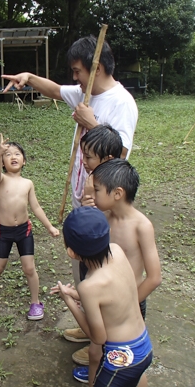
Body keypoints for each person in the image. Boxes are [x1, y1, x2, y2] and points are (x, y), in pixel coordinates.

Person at [1, 35, 138, 286]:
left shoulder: (122, 103)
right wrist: (29, 78)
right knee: (82, 261)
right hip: (82, 198)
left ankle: (102, 321)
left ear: (96, 68)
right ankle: (89, 320)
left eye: (78, 71)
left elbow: (120, 157)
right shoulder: (84, 94)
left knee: (103, 265)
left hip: (103, 202)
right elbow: (54, 89)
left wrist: (92, 123)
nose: (75, 78)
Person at [74, 159, 161, 387]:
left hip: (130, 304)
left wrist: (127, 304)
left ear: (117, 193)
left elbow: (154, 277)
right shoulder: (104, 218)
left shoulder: (141, 225)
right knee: (97, 353)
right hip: (108, 304)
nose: (92, 195)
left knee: (134, 367)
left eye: (96, 190)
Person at [52, 206, 153, 387]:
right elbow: (112, 295)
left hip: (120, 359)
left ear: (71, 252)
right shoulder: (117, 250)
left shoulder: (90, 286)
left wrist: (70, 301)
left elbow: (97, 336)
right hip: (142, 348)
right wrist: (75, 294)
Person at [0, 134, 59, 320]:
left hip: (24, 231)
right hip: (4, 232)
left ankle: (35, 302)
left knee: (29, 268)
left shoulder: (28, 183)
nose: (13, 156)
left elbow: (36, 207)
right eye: (8, 154)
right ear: (4, 162)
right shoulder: (1, 180)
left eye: (17, 154)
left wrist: (49, 226)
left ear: (24, 161)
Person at [63, 125, 124, 365]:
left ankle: (98, 345)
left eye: (88, 157)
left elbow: (115, 213)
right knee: (85, 282)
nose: (84, 161)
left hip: (103, 248)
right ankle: (89, 327)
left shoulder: (112, 183)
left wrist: (95, 207)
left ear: (107, 159)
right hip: (88, 245)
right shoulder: (94, 177)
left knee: (98, 291)